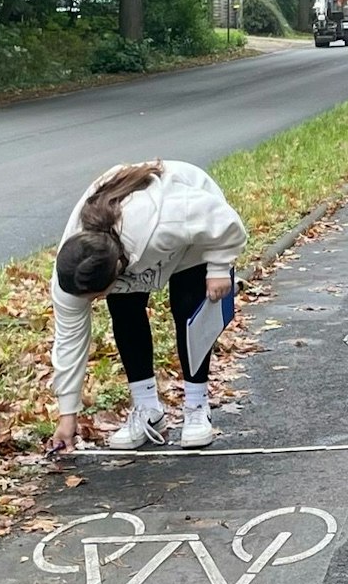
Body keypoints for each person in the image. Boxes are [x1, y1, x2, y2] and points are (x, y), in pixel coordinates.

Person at [49, 161, 249, 452]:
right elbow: (69, 340)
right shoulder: (74, 269)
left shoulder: (163, 222)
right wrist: (67, 415)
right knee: (124, 310)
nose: (91, 303)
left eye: (95, 296)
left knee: (186, 307)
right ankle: (148, 412)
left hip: (197, 232)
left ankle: (196, 407)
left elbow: (225, 221)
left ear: (116, 269)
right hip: (125, 250)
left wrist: (219, 266)